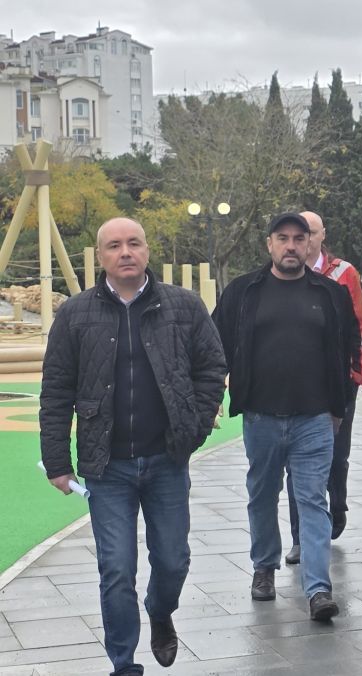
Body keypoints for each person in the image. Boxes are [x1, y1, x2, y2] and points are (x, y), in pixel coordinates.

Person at [40, 217, 227, 675]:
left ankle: (160, 610)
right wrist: (57, 461)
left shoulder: (183, 306)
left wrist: (194, 428)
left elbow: (211, 367)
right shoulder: (75, 314)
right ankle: (123, 664)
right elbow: (56, 390)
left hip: (167, 460)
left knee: (173, 560)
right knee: (116, 569)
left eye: (134, 243)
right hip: (107, 467)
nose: (125, 252)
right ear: (100, 256)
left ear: (147, 250)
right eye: (114, 246)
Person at [212, 212, 361, 621]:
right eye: (283, 238)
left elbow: (348, 350)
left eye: (299, 238)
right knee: (262, 495)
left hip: (314, 419)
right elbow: (215, 345)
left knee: (312, 499)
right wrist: (211, 397)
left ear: (310, 244)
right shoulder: (243, 292)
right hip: (260, 417)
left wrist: (339, 408)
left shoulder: (330, 294)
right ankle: (264, 566)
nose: (291, 246)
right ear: (270, 244)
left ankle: (318, 589)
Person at [283, 211, 362, 565]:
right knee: (296, 463)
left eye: (311, 232)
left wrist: (356, 374)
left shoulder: (343, 273)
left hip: (339, 382)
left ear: (322, 236)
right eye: (299, 232)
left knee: (336, 455)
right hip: (296, 386)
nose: (304, 239)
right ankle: (300, 538)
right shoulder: (283, 274)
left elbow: (361, 328)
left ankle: (336, 506)